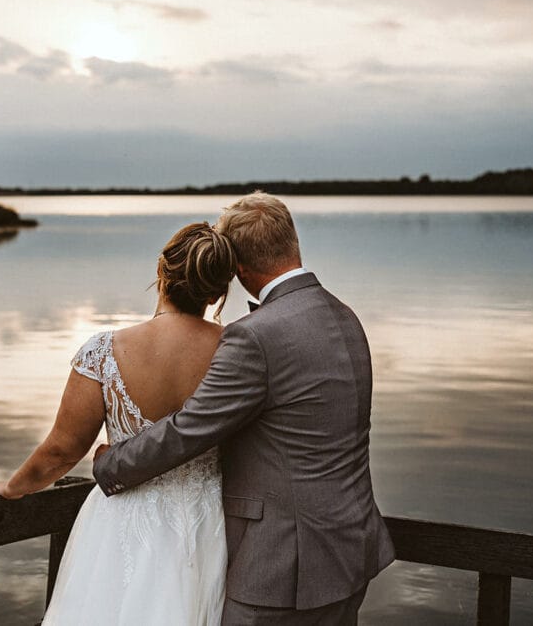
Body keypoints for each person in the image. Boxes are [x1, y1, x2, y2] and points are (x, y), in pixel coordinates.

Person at [94, 192, 396, 625]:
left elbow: (188, 429)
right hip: (353, 551)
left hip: (281, 570)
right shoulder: (345, 315)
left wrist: (112, 464)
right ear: (291, 242)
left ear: (236, 267)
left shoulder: (254, 337)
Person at [0, 221, 238, 625]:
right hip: (210, 524)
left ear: (162, 270)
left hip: (122, 523)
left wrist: (14, 487)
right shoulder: (238, 349)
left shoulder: (104, 351)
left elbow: (62, 450)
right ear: (217, 292)